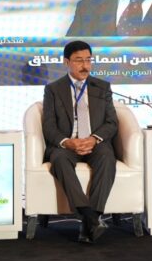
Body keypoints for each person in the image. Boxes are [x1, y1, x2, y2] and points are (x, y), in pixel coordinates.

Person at [42, 40, 118, 243]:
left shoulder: (101, 87)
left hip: (95, 143)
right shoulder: (53, 89)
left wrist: (93, 139)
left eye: (88, 60)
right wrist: (68, 142)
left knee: (107, 158)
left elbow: (111, 122)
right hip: (67, 144)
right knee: (59, 159)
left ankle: (90, 220)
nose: (85, 66)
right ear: (66, 62)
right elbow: (49, 126)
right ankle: (88, 215)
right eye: (78, 60)